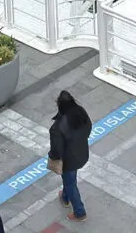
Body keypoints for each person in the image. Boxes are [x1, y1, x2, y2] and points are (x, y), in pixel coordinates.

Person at [49, 90, 92, 222]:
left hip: (69, 160)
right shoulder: (80, 112)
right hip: (82, 153)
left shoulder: (57, 127)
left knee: (70, 183)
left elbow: (57, 151)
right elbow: (89, 127)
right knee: (69, 180)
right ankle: (65, 198)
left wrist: (52, 156)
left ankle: (80, 212)